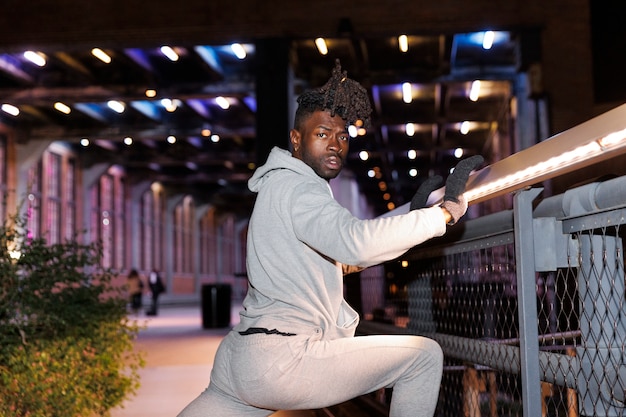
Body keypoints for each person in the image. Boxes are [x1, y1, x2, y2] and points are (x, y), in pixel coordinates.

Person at [178, 60, 482, 417]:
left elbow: (343, 253)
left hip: (241, 359)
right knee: (424, 357)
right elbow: (356, 242)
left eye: (343, 136)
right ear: (296, 139)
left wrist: (412, 216)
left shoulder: (279, 186)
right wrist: (442, 215)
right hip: (284, 358)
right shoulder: (301, 187)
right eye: (322, 134)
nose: (336, 145)